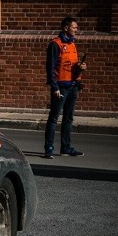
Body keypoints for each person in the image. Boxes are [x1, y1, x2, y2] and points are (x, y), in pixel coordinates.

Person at [44, 16, 86, 159]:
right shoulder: (55, 44)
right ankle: (49, 148)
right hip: (60, 88)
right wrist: (54, 87)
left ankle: (66, 148)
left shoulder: (73, 44)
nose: (76, 29)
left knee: (68, 119)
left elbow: (72, 66)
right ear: (66, 28)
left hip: (73, 86)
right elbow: (50, 68)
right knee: (54, 118)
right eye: (74, 27)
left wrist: (81, 68)